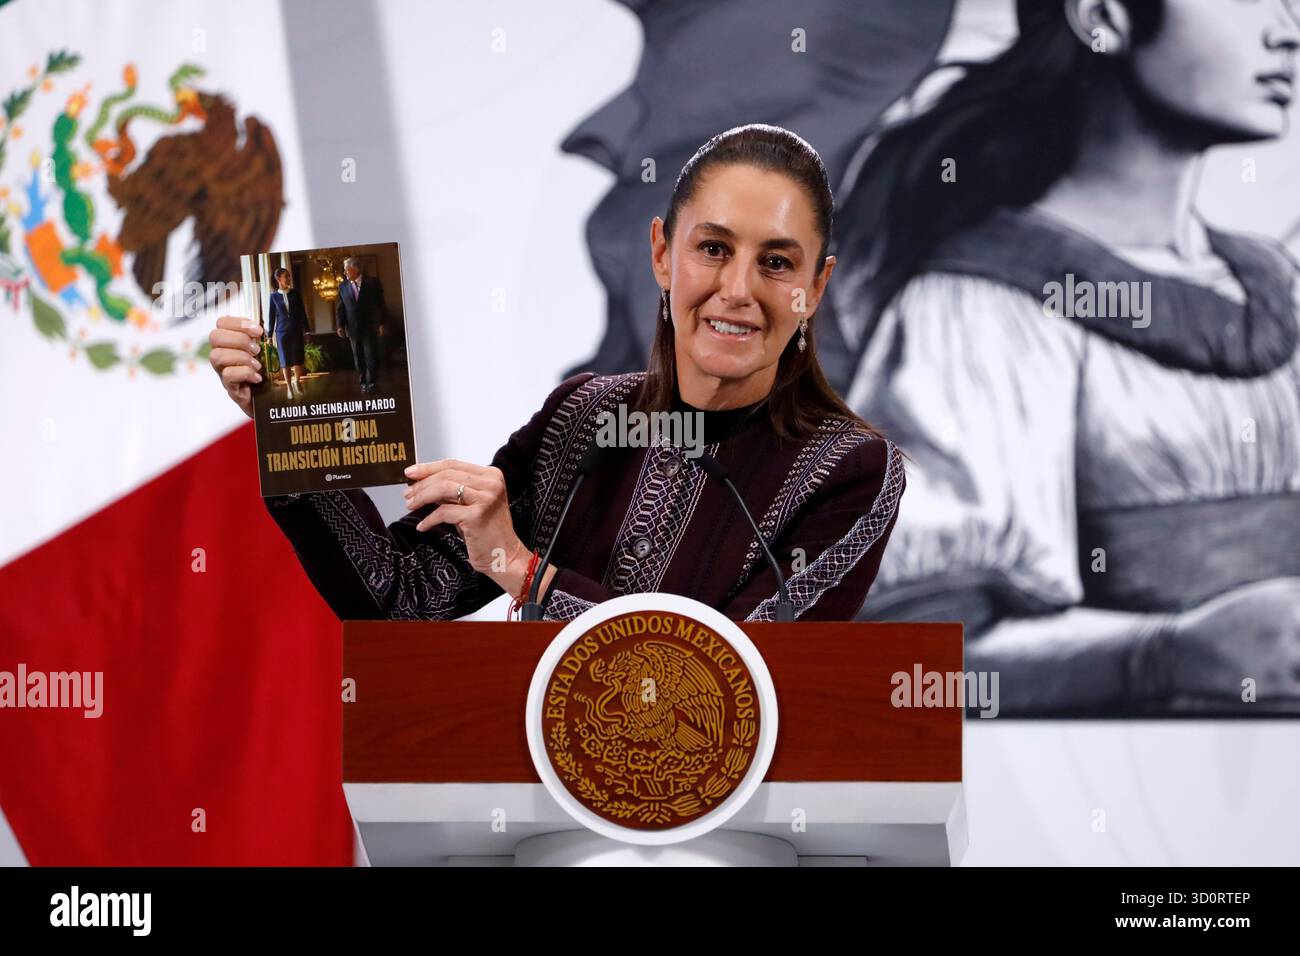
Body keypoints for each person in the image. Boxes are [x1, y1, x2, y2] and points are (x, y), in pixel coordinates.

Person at [208, 124, 907, 622]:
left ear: (816, 287)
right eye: (714, 248)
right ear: (663, 254)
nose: (738, 289)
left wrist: (521, 568)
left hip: (728, 833)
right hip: (544, 828)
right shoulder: (583, 418)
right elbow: (400, 598)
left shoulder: (849, 469)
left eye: (778, 263)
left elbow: (727, 679)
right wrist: (292, 419)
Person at [832, 0, 1300, 712]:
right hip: (1105, 791)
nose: (1288, 31)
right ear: (1103, 14)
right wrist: (1162, 655)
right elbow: (899, 667)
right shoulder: (979, 309)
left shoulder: (1278, 285)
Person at [334, 256, 386, 393]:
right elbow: (340, 308)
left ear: (355, 269)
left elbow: (380, 305)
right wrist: (340, 325)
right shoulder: (343, 286)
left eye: (346, 270)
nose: (344, 273)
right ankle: (363, 382)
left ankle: (372, 382)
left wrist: (381, 323)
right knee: (358, 356)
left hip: (370, 326)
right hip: (352, 328)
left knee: (370, 355)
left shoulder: (373, 282)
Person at [265, 267, 309, 401]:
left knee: (297, 359)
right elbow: (271, 317)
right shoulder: (273, 297)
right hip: (281, 332)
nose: (289, 279)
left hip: (296, 330)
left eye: (289, 276)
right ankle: (289, 387)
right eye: (286, 277)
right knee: (285, 361)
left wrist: (307, 330)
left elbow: (302, 312)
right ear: (279, 279)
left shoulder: (295, 293)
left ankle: (297, 381)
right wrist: (269, 335)